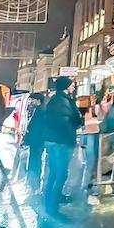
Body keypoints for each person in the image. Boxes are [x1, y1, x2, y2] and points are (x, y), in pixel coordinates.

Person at [42, 77, 83, 215]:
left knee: (54, 172)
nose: (73, 88)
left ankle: (49, 199)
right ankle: (53, 204)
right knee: (61, 173)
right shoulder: (64, 102)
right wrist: (70, 138)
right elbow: (66, 122)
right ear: (66, 87)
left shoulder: (55, 100)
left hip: (52, 141)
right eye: (72, 86)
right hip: (61, 142)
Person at [23, 92, 46, 193]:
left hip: (37, 142)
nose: (31, 102)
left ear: (38, 101)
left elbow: (37, 128)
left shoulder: (40, 112)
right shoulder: (37, 111)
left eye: (33, 100)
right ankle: (33, 184)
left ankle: (34, 185)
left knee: (35, 162)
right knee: (34, 161)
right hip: (36, 142)